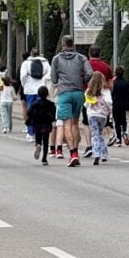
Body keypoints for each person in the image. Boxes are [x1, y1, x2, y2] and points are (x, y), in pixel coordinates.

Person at [50, 36, 91, 167]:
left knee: (66, 124)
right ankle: (76, 153)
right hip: (78, 92)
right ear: (73, 44)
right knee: (75, 123)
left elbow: (53, 79)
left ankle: (72, 153)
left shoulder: (56, 59)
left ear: (62, 45)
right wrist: (82, 81)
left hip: (64, 93)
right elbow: (90, 73)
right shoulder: (81, 58)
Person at [19, 48, 50, 142]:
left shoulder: (26, 63)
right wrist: (44, 82)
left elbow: (23, 76)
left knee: (31, 111)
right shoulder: (45, 62)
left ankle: (31, 133)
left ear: (31, 54)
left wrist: (25, 85)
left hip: (30, 90)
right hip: (42, 89)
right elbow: (50, 74)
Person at [85, 71, 113, 165]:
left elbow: (86, 104)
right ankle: (103, 154)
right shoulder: (106, 90)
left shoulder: (89, 90)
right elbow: (109, 102)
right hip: (102, 115)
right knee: (100, 133)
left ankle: (96, 153)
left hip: (92, 114)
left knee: (95, 134)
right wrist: (110, 111)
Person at [27, 86, 56, 164]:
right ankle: (44, 159)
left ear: (38, 94)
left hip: (37, 124)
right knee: (46, 140)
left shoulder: (35, 104)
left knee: (38, 137)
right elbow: (54, 114)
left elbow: (29, 112)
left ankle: (38, 144)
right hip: (46, 124)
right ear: (47, 94)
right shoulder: (50, 104)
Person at [111, 66, 129, 147]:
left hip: (115, 105)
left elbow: (110, 94)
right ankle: (125, 132)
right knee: (123, 121)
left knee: (116, 123)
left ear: (115, 73)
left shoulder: (113, 83)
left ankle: (118, 140)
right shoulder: (126, 83)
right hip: (123, 105)